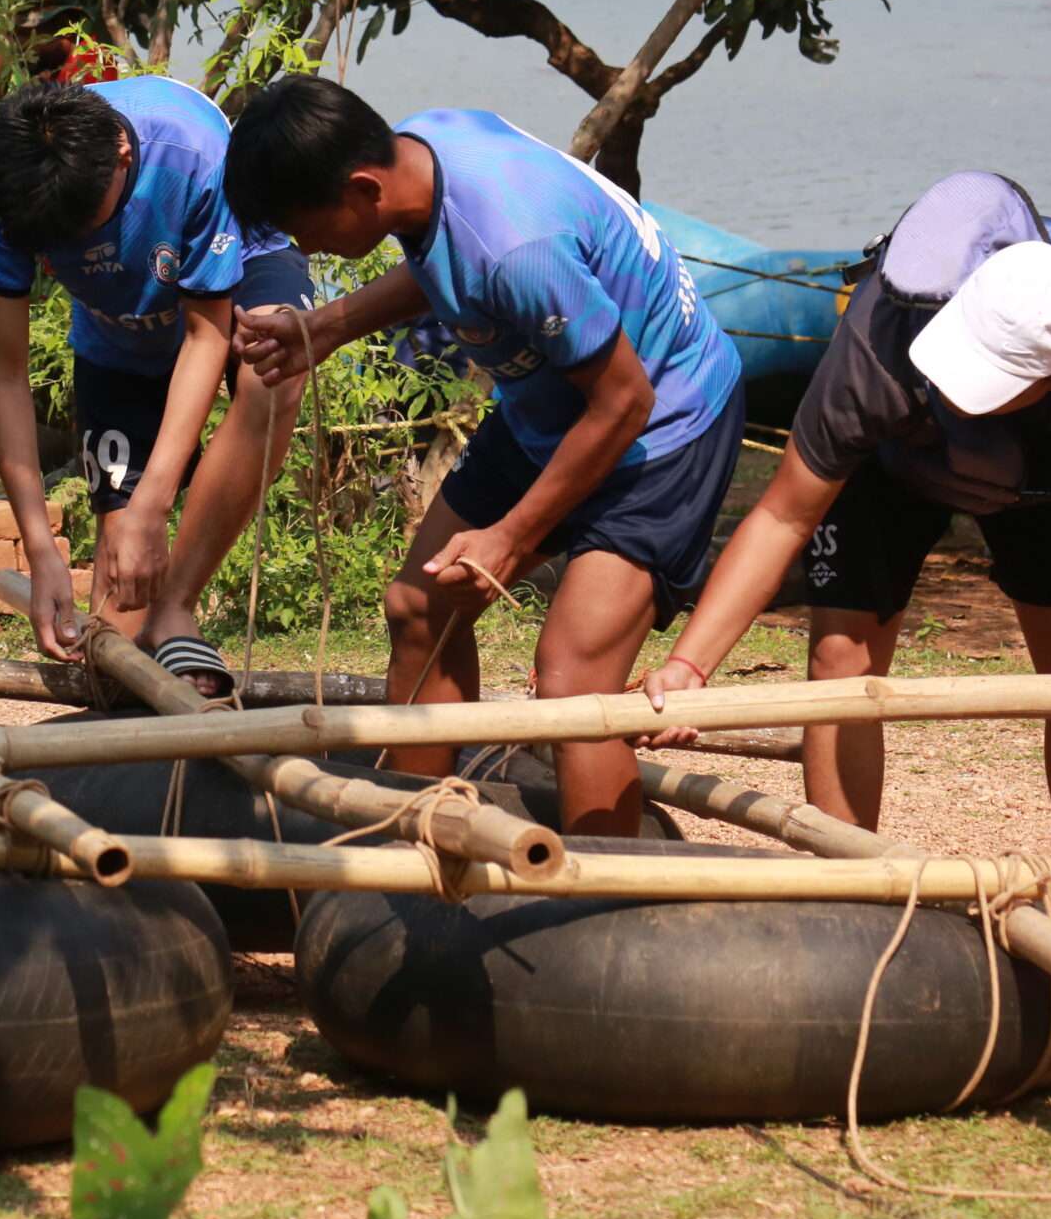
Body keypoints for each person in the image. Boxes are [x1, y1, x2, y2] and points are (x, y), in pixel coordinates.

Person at [635, 171, 1051, 939]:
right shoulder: (880, 347)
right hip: (892, 464)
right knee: (840, 658)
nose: (960, 382)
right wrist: (689, 664)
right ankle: (849, 911)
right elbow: (781, 514)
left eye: (989, 377)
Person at [227, 79, 744, 836]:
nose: (305, 249)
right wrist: (327, 325)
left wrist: (511, 534)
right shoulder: (425, 145)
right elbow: (448, 259)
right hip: (550, 399)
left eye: (305, 229)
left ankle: (610, 896)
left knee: (573, 679)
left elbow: (624, 403)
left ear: (362, 188)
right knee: (421, 606)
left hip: (663, 423)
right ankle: (418, 838)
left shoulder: (518, 247)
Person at [0, 76, 311, 692]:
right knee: (120, 608)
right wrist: (41, 550)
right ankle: (147, 649)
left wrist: (155, 507)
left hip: (241, 271)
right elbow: (4, 372)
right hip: (118, 328)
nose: (76, 248)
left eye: (85, 224)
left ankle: (177, 605)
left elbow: (206, 335)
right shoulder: (9, 184)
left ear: (122, 155)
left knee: (273, 373)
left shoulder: (191, 148)